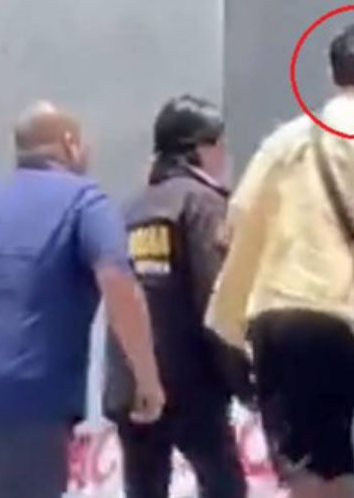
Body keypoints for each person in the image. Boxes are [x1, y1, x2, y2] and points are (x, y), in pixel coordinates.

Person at [205, 23, 354, 498]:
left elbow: (228, 230)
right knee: (325, 475)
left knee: (310, 471)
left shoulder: (285, 139)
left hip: (266, 318)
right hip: (324, 315)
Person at [0, 101, 166, 498]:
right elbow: (118, 283)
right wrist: (147, 378)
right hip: (26, 399)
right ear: (70, 144)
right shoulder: (85, 202)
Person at [103, 95, 247, 498]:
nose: (225, 154)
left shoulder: (131, 210)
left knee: (144, 489)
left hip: (131, 382)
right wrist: (243, 377)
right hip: (191, 382)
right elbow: (218, 296)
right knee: (225, 487)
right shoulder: (202, 202)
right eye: (219, 144)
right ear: (198, 149)